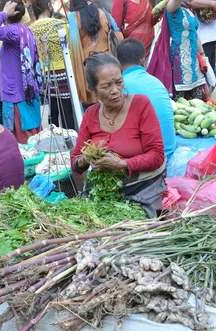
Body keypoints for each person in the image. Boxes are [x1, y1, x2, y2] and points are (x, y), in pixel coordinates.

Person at [70, 53, 166, 217]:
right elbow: (75, 162)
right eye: (106, 86)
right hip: (104, 188)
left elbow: (157, 155)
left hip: (142, 185)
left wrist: (123, 164)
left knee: (132, 225)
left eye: (119, 82)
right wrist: (86, 159)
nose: (115, 91)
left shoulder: (141, 105)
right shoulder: (91, 115)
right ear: (93, 91)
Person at [0, 0, 44, 144]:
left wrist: (3, 13)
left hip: (16, 98)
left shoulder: (12, 31)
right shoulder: (25, 30)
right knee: (34, 137)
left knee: (22, 141)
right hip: (26, 95)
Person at [116, 38, 176, 161]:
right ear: (143, 61)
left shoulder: (118, 87)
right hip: (169, 152)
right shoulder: (157, 83)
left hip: (149, 160)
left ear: (118, 63)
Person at [30, 0, 75, 129]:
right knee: (67, 108)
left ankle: (54, 135)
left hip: (44, 72)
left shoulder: (31, 29)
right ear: (49, 6)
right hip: (62, 70)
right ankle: (70, 137)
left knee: (52, 107)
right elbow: (69, 48)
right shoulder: (60, 24)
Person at [166, 0, 216, 100]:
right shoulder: (172, 6)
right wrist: (212, 3)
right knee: (180, 103)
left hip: (194, 61)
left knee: (199, 101)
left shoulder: (189, 9)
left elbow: (194, 33)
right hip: (180, 62)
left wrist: (203, 55)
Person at [68, 0, 117, 106]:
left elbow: (72, 46)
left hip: (88, 68)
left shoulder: (73, 18)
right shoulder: (105, 14)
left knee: (93, 109)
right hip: (108, 64)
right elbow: (118, 36)